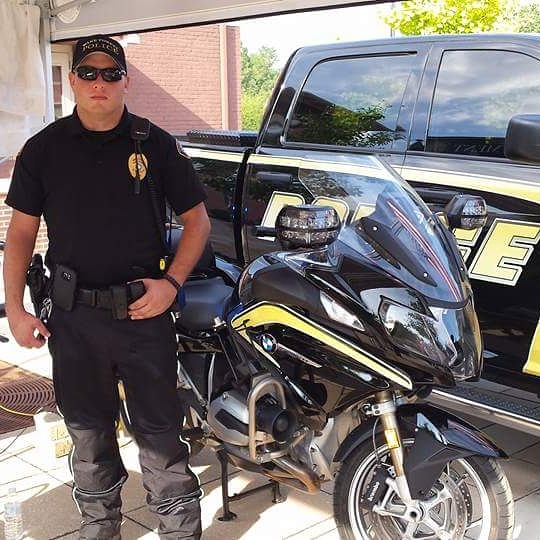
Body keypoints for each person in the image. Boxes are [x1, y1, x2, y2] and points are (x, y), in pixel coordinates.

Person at [3, 35, 211, 539]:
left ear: (125, 80)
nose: (100, 82)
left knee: (161, 439)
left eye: (111, 73)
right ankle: (100, 529)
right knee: (89, 438)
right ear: (73, 80)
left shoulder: (154, 144)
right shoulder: (44, 149)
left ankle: (180, 533)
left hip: (144, 315)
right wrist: (16, 309)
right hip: (74, 319)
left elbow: (197, 221)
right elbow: (22, 233)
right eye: (89, 73)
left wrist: (171, 284)